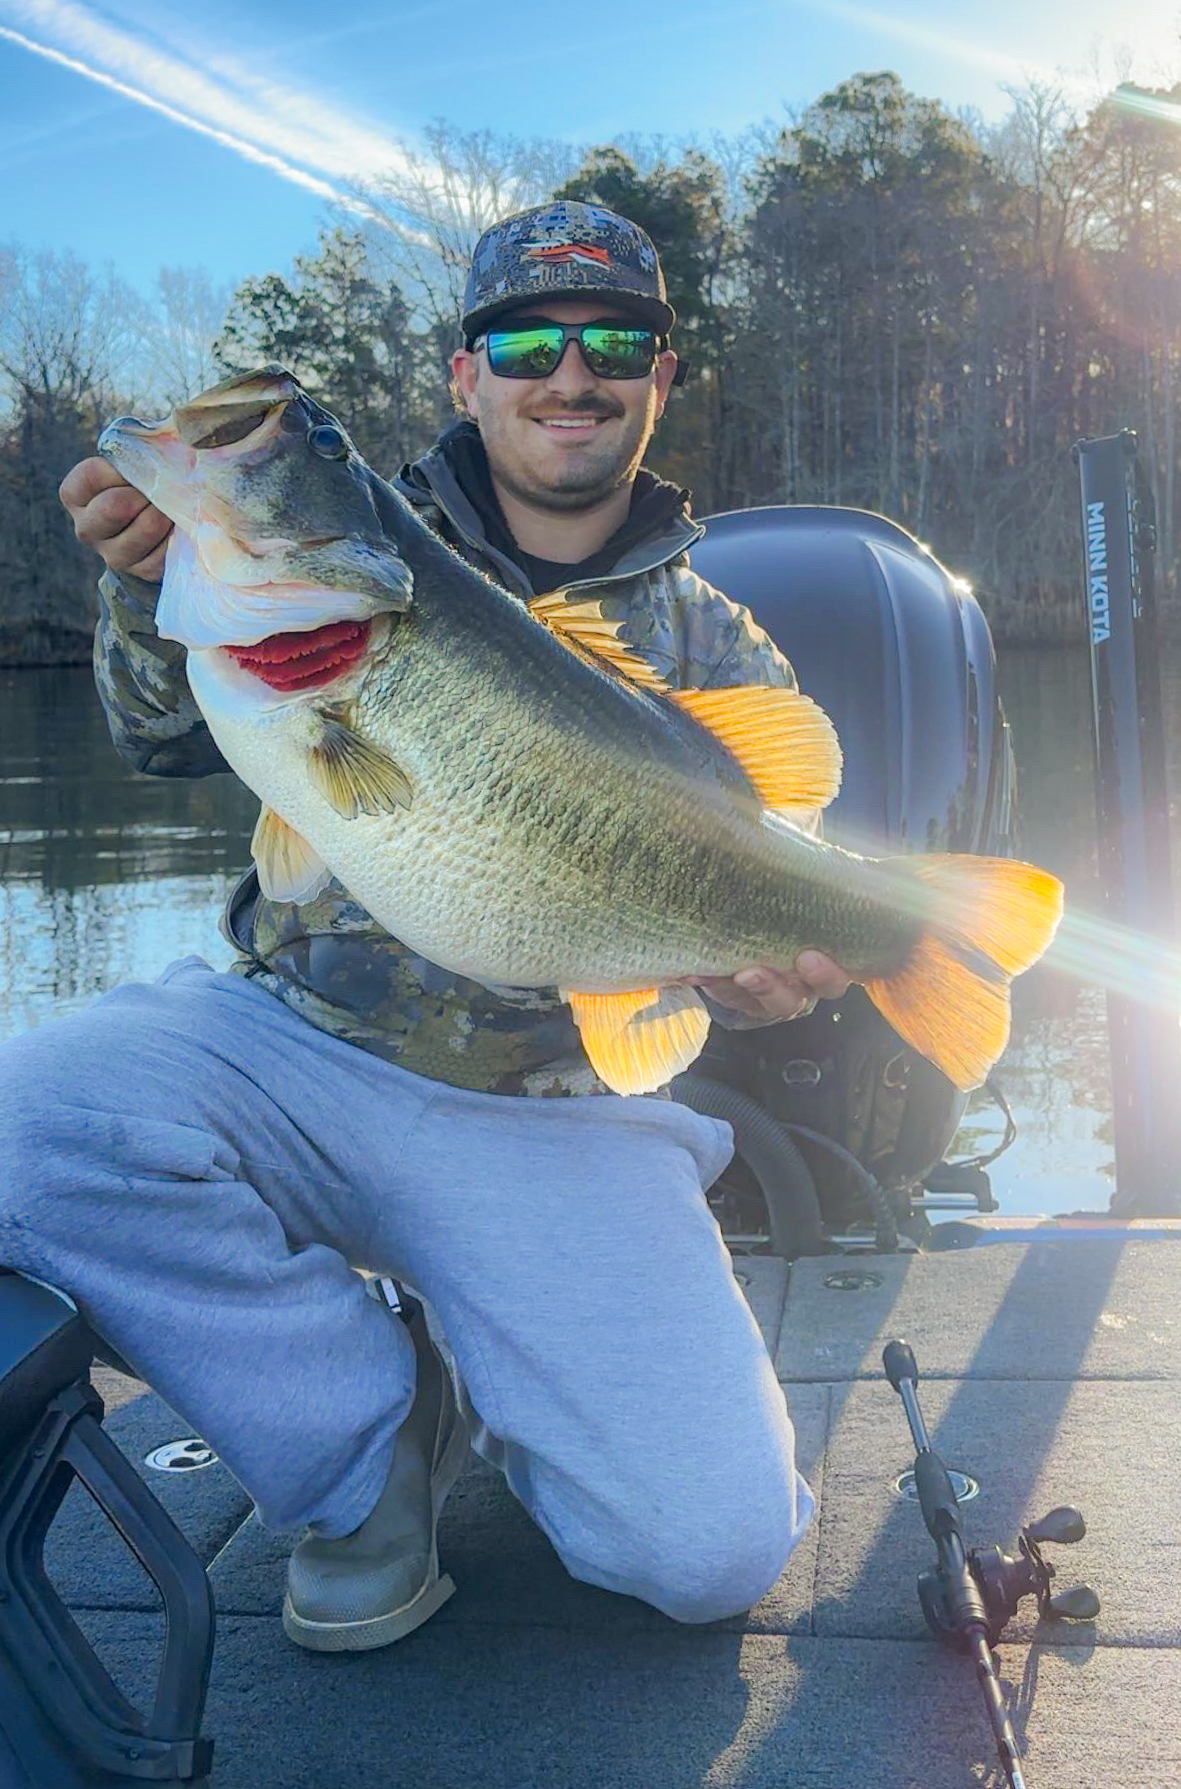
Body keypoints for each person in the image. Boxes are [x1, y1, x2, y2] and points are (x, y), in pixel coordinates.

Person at [7, 200, 849, 1653]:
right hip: (295, 1046)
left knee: (704, 1549)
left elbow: (765, 884)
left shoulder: (716, 644)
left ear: (660, 378)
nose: (566, 373)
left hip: (561, 1112)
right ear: (465, 374)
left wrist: (787, 979)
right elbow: (157, 739)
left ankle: (502, 1350)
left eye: (612, 341)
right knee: (27, 1121)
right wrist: (144, 582)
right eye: (525, 338)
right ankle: (362, 1433)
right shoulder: (346, 554)